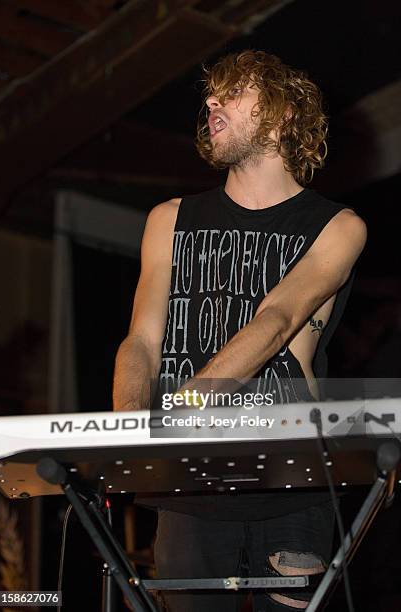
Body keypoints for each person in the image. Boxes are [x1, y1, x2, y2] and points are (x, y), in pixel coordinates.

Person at [113, 50, 367, 611]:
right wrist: (128, 428)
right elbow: (141, 340)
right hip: (188, 479)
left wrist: (185, 406)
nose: (211, 102)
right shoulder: (169, 219)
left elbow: (276, 321)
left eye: (232, 92)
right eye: (211, 93)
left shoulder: (337, 226)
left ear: (281, 114)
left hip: (291, 474)